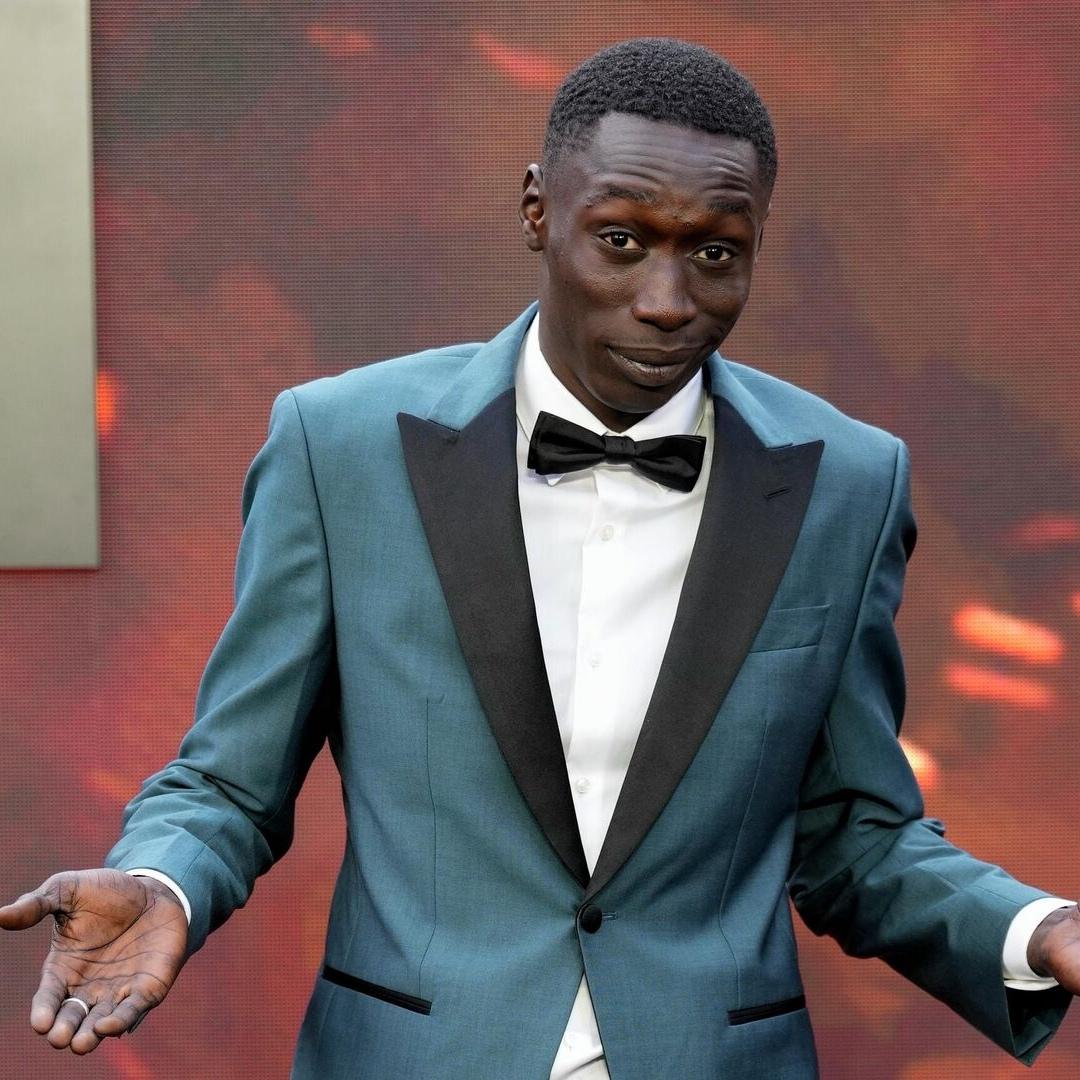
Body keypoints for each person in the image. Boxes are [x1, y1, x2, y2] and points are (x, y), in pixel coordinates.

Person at [2, 37, 1078, 1079]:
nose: (667, 301)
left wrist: (1039, 929)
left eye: (714, 252)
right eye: (622, 240)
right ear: (536, 210)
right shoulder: (339, 447)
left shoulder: (848, 480)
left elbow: (855, 834)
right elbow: (232, 784)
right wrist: (164, 882)